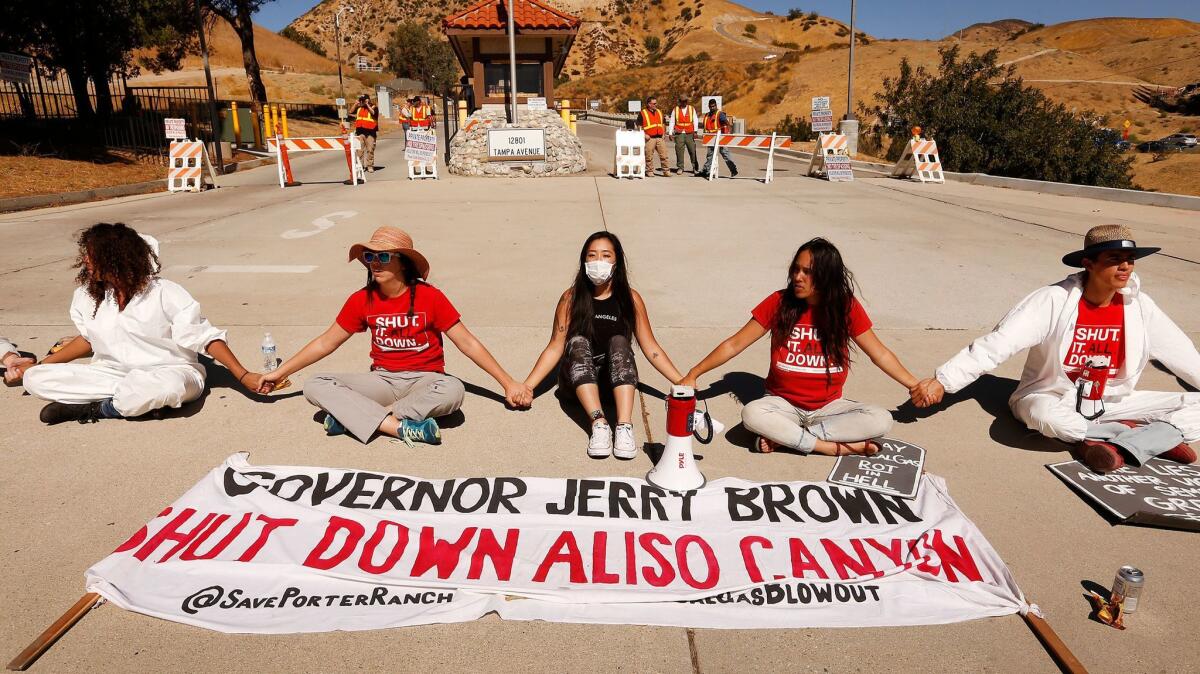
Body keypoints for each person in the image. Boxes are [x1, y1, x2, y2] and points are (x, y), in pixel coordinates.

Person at [912, 225, 1199, 472]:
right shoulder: (1052, 300)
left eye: (1130, 260)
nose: (1125, 267)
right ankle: (1151, 438)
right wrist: (944, 381)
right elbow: (997, 344)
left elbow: (1180, 351)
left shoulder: (1139, 307)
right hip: (1054, 398)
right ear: (1088, 263)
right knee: (1044, 417)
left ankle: (1123, 441)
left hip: (1112, 401)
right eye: (1114, 259)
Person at [259, 227, 531, 446]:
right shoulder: (360, 300)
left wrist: (508, 383)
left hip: (426, 380)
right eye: (369, 257)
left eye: (384, 257)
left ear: (403, 263)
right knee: (315, 384)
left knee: (454, 391)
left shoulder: (430, 297)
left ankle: (354, 418)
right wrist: (279, 373)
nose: (375, 263)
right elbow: (326, 342)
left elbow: (467, 342)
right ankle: (400, 427)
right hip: (382, 379)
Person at [681, 238, 920, 456]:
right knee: (751, 414)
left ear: (826, 276)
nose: (798, 276)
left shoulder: (845, 306)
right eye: (796, 269)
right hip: (781, 404)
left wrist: (914, 385)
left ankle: (787, 438)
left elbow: (879, 353)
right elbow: (735, 344)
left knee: (881, 419)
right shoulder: (779, 302)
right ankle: (829, 447)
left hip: (829, 407)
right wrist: (694, 374)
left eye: (808, 272)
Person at [19, 223, 261, 424]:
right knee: (35, 379)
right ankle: (138, 402)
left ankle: (99, 409)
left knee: (169, 388)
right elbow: (88, 340)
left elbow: (205, 338)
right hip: (112, 375)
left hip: (170, 372)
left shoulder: (165, 292)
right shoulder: (87, 296)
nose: (85, 260)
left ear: (115, 259)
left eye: (92, 254)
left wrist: (243, 375)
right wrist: (38, 366)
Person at [522, 232, 685, 459]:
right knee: (577, 342)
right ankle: (598, 424)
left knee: (620, 341)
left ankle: (624, 426)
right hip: (576, 384)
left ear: (616, 262)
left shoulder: (630, 299)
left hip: (613, 383)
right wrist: (527, 386)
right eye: (592, 255)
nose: (598, 261)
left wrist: (681, 381)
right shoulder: (571, 298)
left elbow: (651, 347)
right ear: (584, 261)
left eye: (606, 255)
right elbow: (555, 347)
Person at [701, 98, 737, 178]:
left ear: (716, 105)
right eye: (711, 106)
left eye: (713, 106)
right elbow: (705, 127)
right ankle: (706, 171)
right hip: (710, 138)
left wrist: (729, 131)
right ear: (708, 107)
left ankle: (733, 170)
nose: (712, 108)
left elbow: (727, 123)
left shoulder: (719, 114)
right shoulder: (707, 115)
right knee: (710, 155)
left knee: (725, 153)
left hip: (720, 137)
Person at [638, 96, 670, 177]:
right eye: (654, 103)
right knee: (649, 156)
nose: (656, 105)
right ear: (649, 104)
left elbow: (663, 123)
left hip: (659, 137)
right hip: (649, 138)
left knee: (664, 155)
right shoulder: (643, 113)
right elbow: (639, 125)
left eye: (656, 103)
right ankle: (649, 171)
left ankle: (666, 171)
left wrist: (664, 133)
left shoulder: (659, 112)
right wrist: (644, 135)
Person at [668, 95, 700, 175]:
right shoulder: (676, 109)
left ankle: (695, 167)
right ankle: (680, 167)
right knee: (679, 151)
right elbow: (672, 121)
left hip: (689, 133)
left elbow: (695, 119)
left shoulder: (691, 109)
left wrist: (695, 131)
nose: (684, 102)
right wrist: (670, 132)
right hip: (679, 133)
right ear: (680, 101)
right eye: (682, 101)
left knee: (692, 150)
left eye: (685, 101)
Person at [350, 94, 379, 172]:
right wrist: (355, 104)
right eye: (361, 100)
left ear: (368, 100)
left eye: (363, 100)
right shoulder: (359, 108)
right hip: (360, 132)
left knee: (370, 150)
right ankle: (360, 166)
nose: (362, 101)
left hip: (370, 132)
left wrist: (367, 105)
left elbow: (373, 113)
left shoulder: (374, 107)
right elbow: (351, 111)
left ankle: (370, 166)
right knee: (360, 150)